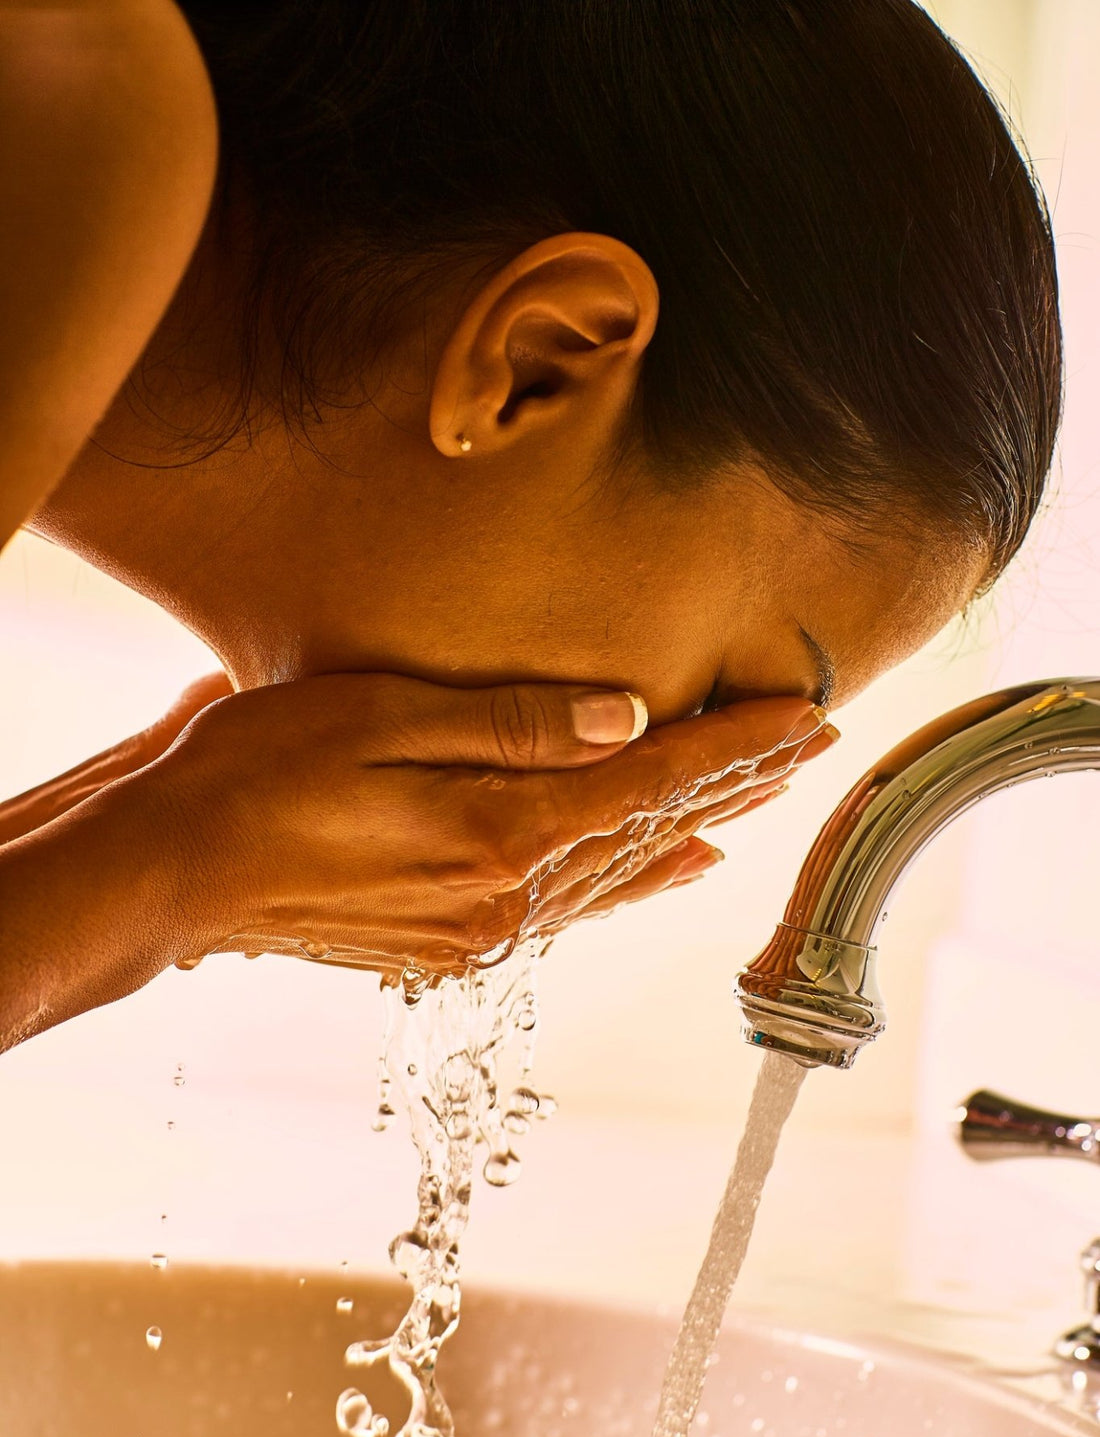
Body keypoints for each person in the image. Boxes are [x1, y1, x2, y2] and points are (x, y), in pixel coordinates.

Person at [0, 0, 1062, 1052]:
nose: (655, 799)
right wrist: (176, 865)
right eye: (717, 706)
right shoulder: (67, 84)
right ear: (537, 365)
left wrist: (149, 823)